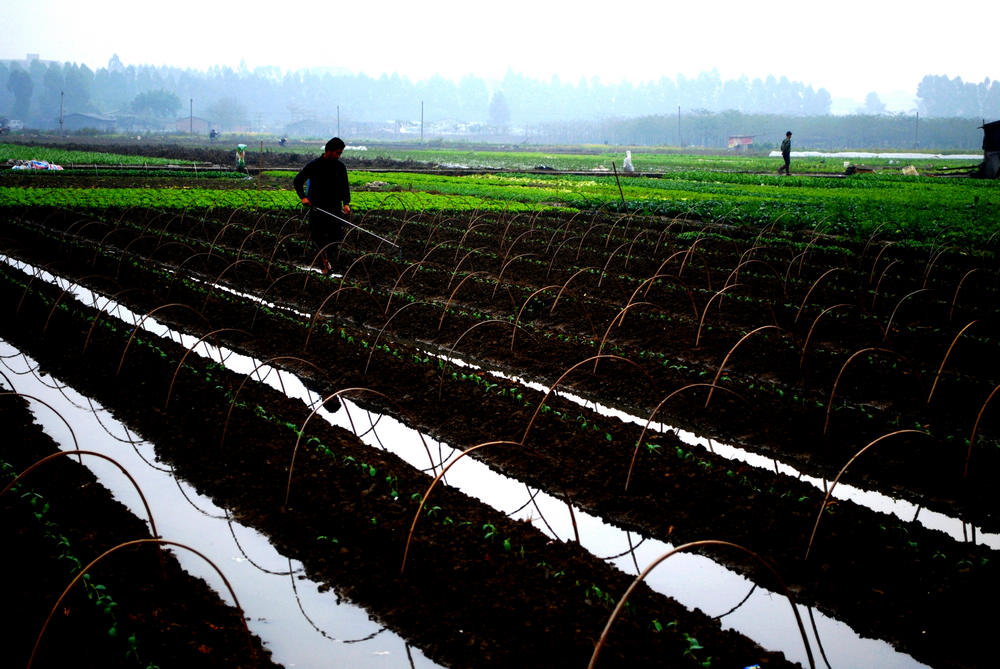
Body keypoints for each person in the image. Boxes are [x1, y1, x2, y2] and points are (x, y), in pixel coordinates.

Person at [293, 137, 351, 275]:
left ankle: (328, 261)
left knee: (336, 237)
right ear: (329, 151)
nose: (339, 156)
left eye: (340, 153)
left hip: (334, 208)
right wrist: (303, 198)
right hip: (317, 208)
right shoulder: (314, 165)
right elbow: (298, 181)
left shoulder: (340, 167)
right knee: (319, 238)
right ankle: (325, 264)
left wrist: (346, 203)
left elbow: (344, 186)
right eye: (337, 153)